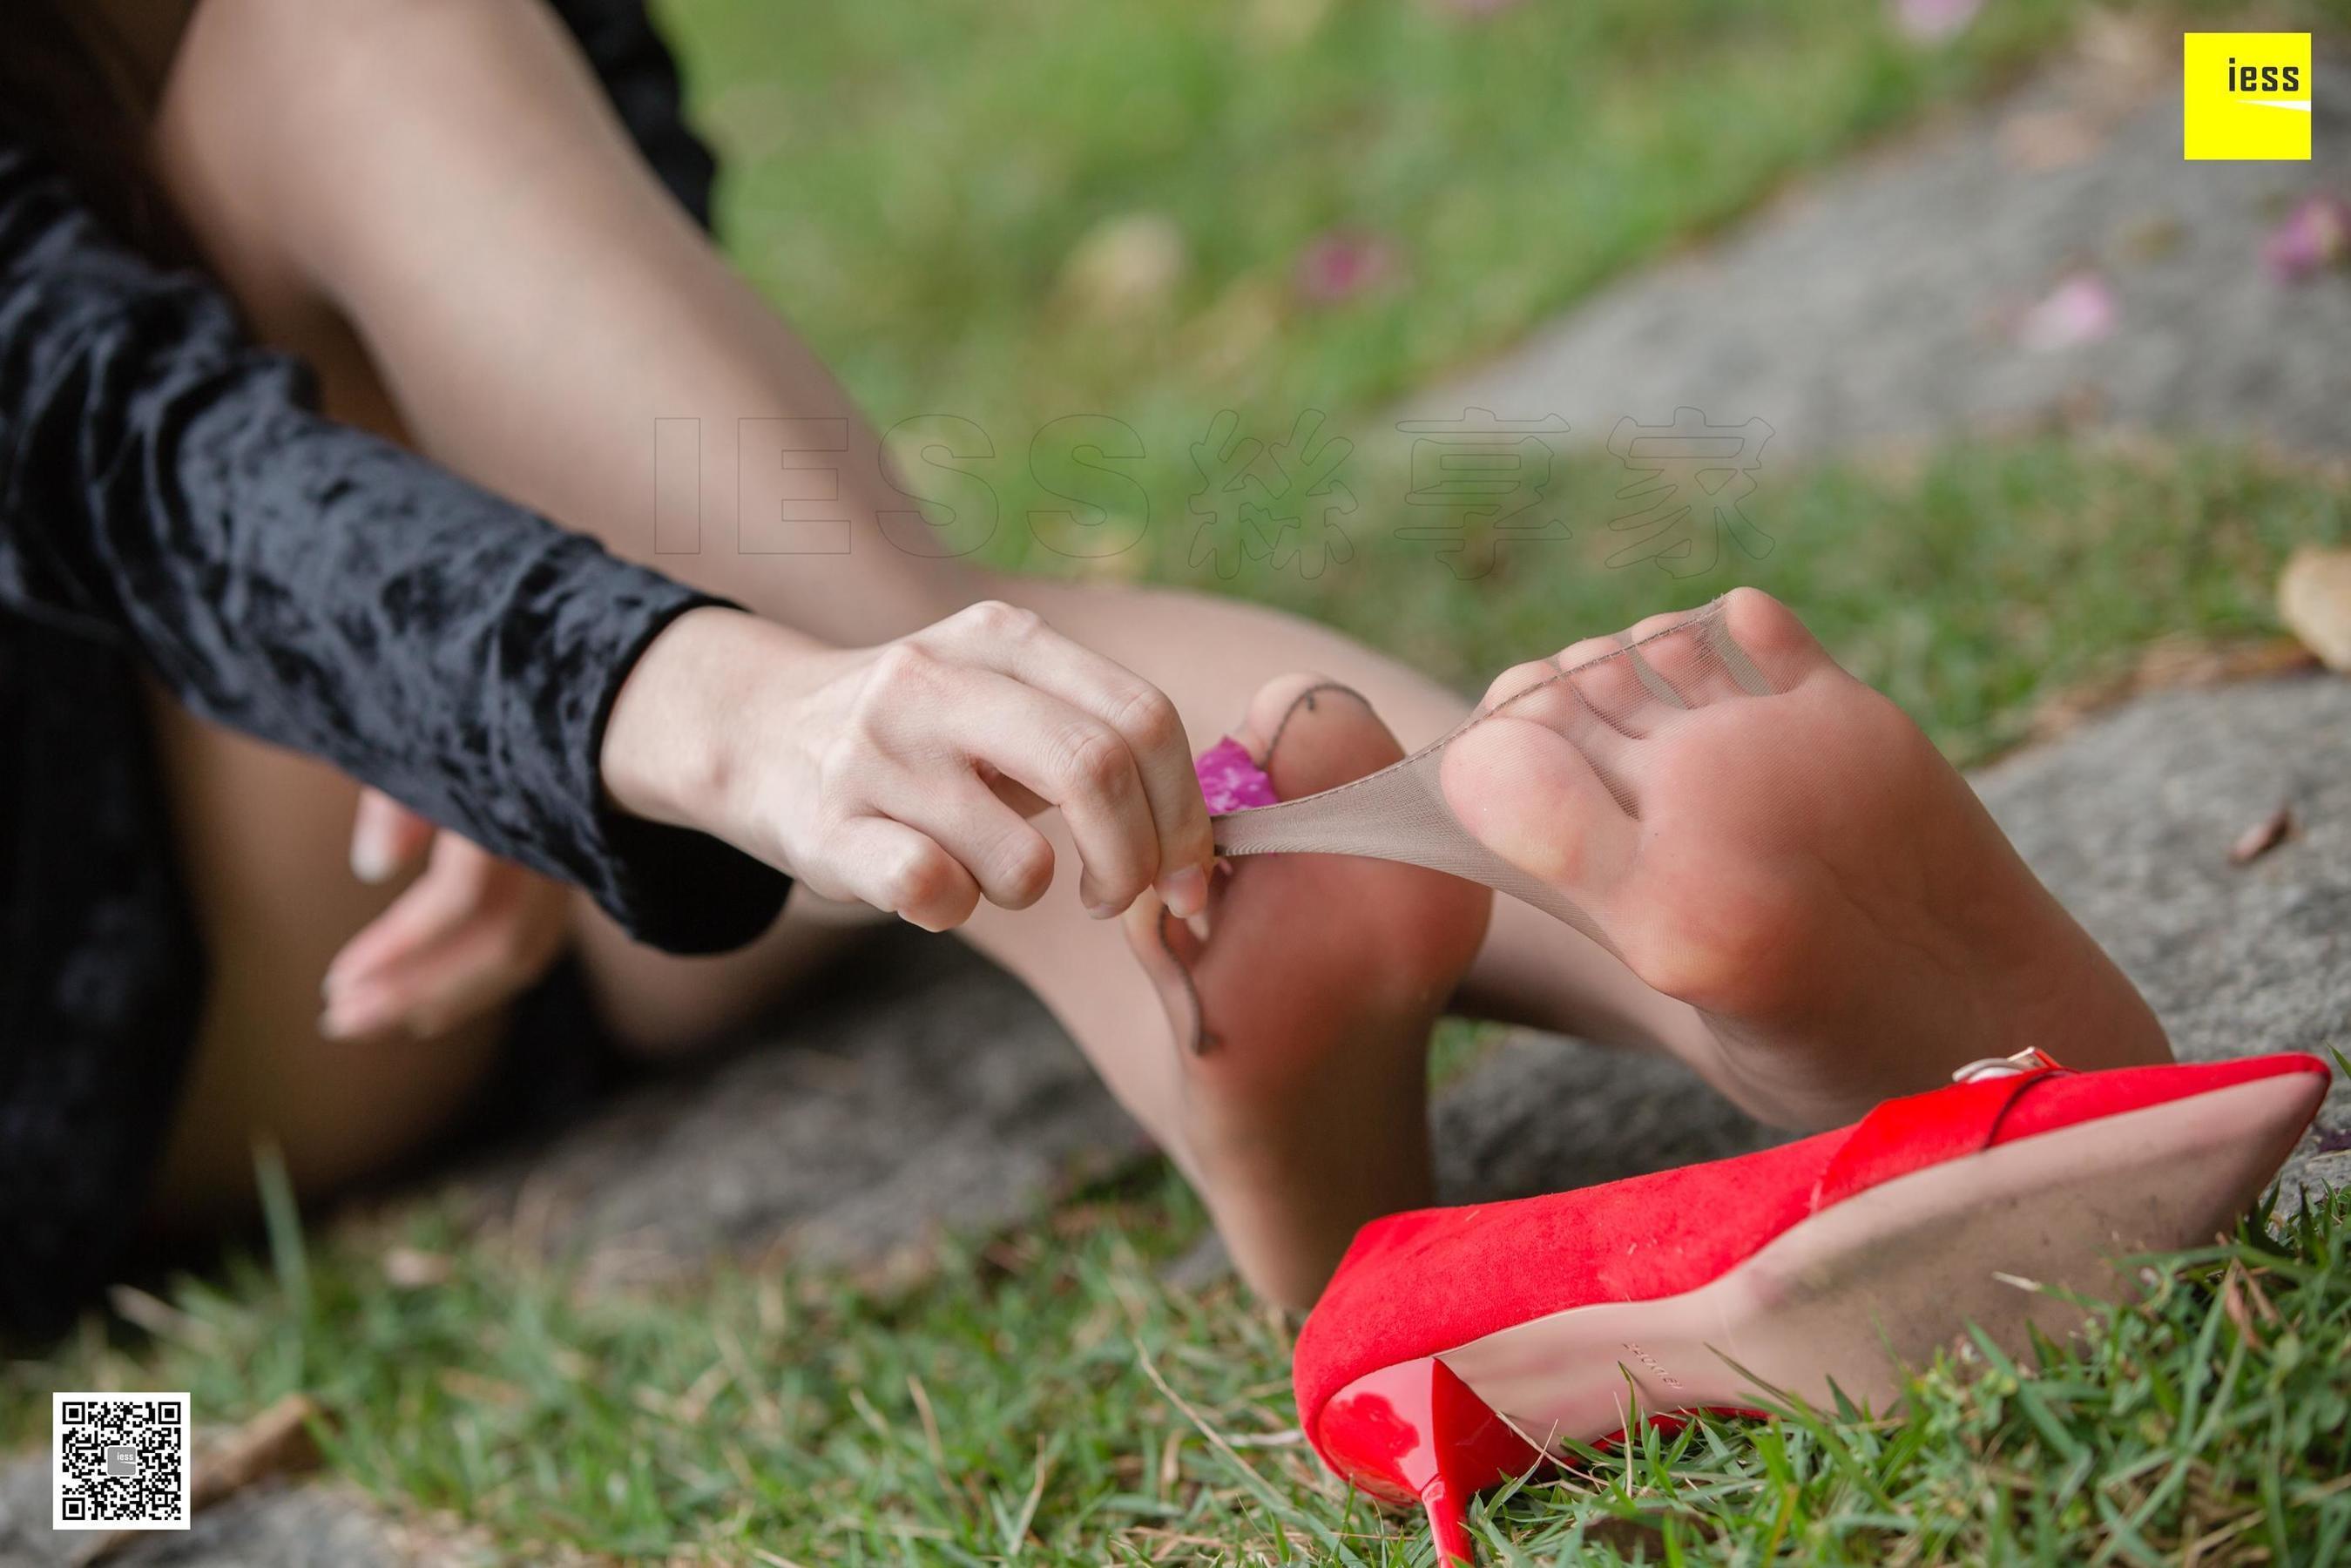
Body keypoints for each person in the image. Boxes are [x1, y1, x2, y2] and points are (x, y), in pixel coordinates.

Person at [0, 0, 2171, 1337]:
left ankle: (1447, 998)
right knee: (860, 679)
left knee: (335, 22)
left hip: (458, 753)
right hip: (143, 1020)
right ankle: (1302, 931)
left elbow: (591, 180)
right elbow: (81, 437)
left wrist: (462, 656)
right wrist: (640, 701)